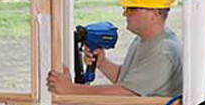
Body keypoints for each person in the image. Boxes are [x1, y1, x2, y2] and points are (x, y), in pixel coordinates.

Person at [47, 0, 182, 97]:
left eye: (131, 9)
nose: (125, 14)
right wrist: (103, 63)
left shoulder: (163, 52)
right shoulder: (144, 39)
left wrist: (71, 90)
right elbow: (129, 82)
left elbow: (127, 93)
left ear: (154, 14)